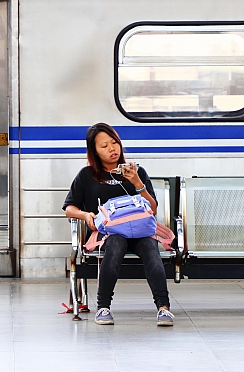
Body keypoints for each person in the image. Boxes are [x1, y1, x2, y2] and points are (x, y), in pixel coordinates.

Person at [63, 123, 174, 326]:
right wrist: (86, 215)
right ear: (94, 151)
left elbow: (153, 208)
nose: (112, 149)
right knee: (115, 243)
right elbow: (69, 208)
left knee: (150, 247)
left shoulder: (136, 171)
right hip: (108, 234)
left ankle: (163, 308)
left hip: (140, 232)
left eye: (114, 143)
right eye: (104, 146)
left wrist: (137, 183)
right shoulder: (87, 176)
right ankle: (103, 307)